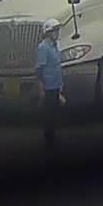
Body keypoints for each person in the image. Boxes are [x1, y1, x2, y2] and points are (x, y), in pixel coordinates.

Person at [36, 19, 65, 148]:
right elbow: (39, 70)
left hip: (56, 86)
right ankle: (49, 142)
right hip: (48, 87)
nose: (57, 33)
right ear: (48, 32)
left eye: (57, 30)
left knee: (55, 114)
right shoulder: (43, 47)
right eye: (55, 31)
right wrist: (41, 89)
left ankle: (53, 139)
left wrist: (60, 90)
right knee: (49, 115)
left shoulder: (55, 46)